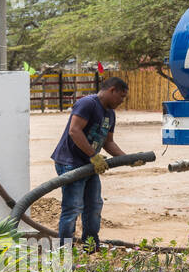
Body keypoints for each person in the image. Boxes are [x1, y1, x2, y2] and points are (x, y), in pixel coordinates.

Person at [51, 77, 131, 249]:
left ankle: (90, 246)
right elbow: (74, 131)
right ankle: (64, 250)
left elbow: (108, 142)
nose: (122, 101)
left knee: (94, 205)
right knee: (73, 208)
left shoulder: (110, 114)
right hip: (70, 162)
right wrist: (94, 156)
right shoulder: (88, 104)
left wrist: (128, 159)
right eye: (121, 96)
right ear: (112, 90)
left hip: (89, 164)